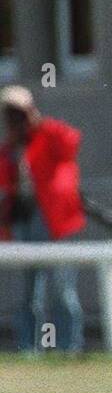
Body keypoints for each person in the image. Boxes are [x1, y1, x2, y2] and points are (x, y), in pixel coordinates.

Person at [0, 86, 86, 354]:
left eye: (19, 113)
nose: (15, 119)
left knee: (62, 289)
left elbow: (72, 142)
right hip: (25, 221)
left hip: (55, 222)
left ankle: (69, 347)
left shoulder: (49, 136)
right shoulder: (10, 148)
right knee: (29, 290)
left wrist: (39, 122)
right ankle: (28, 347)